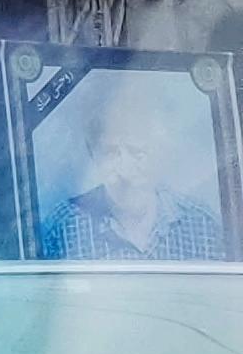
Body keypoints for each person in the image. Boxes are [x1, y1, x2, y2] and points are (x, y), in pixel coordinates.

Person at [36, 77, 229, 260]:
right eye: (110, 153)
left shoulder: (202, 225)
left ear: (158, 153)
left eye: (137, 152)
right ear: (93, 155)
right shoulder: (62, 227)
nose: (125, 170)